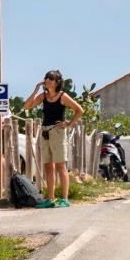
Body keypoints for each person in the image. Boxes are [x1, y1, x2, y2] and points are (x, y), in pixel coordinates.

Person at [25, 70, 83, 207]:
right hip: (45, 131)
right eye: (46, 78)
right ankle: (50, 199)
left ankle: (65, 199)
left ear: (57, 82)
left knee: (60, 166)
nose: (47, 80)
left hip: (58, 133)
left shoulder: (63, 96)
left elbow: (79, 110)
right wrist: (35, 90)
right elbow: (27, 106)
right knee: (48, 167)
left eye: (50, 79)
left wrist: (69, 124)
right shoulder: (43, 96)